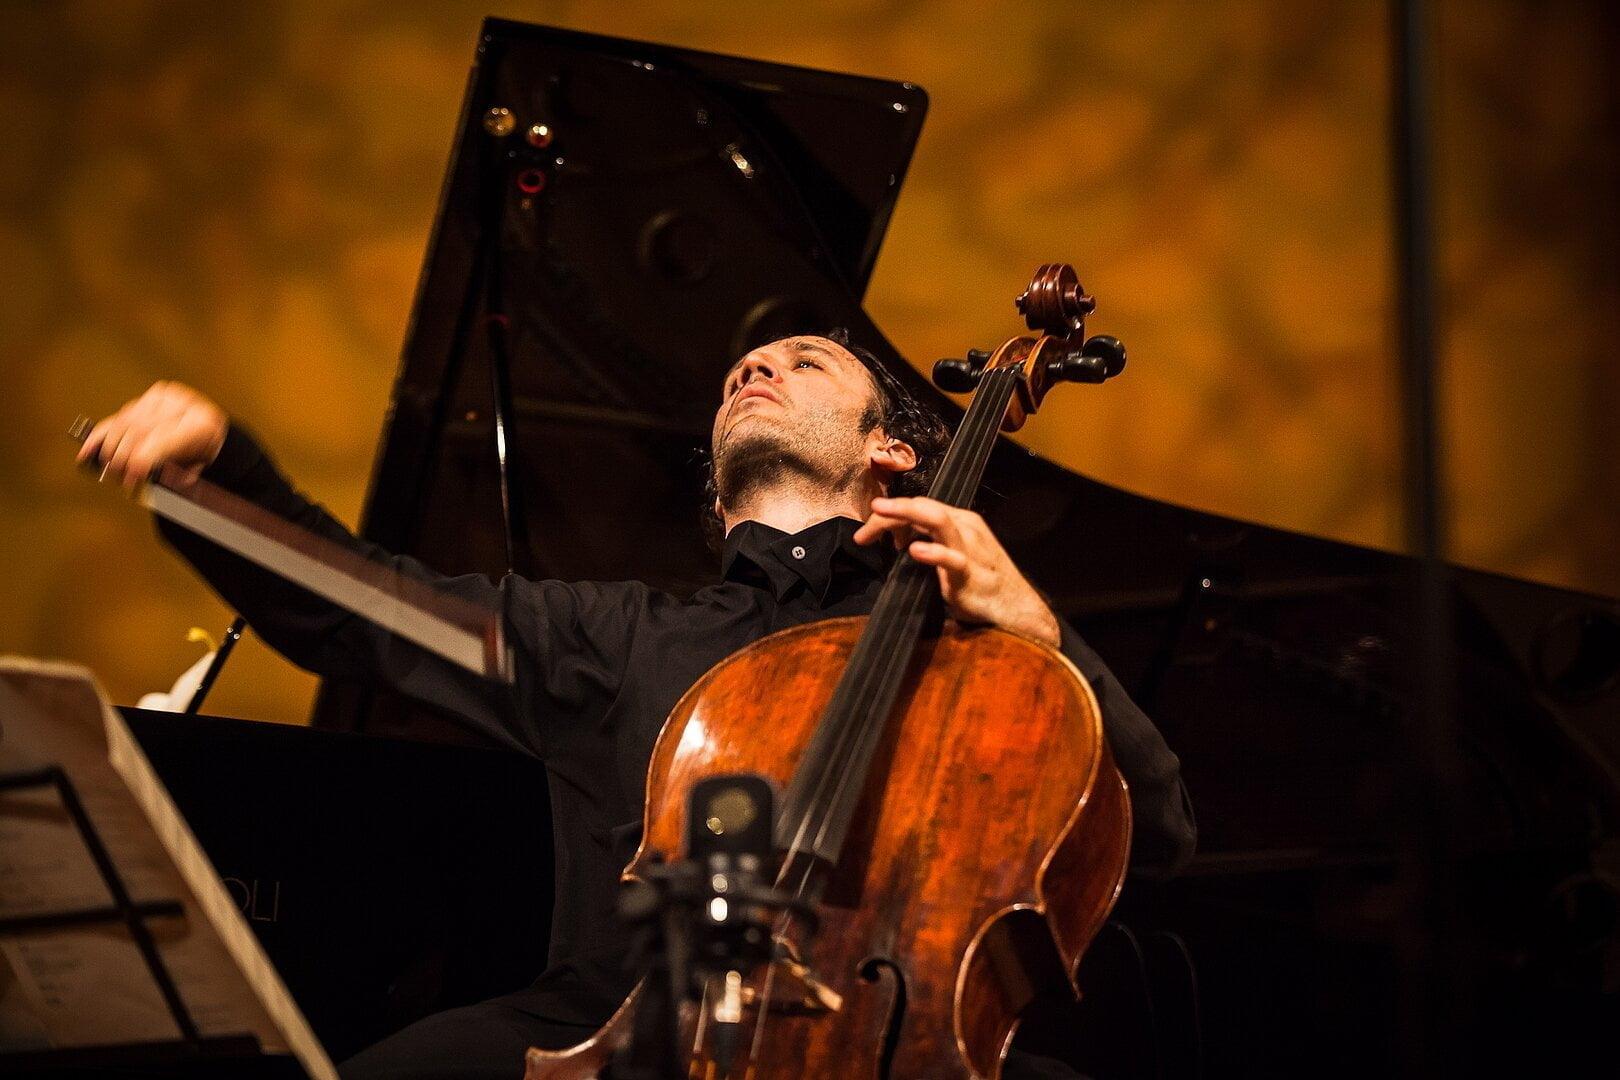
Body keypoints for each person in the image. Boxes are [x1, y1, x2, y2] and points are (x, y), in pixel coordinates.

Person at [79, 331, 1195, 1079]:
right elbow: (372, 611)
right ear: (718, 489)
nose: (753, 370)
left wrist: (1035, 630)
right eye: (737, 376)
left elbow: (1158, 830)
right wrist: (220, 473)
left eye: (802, 363)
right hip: (618, 1034)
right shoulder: (616, 642)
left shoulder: (982, 651)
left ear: (892, 451)